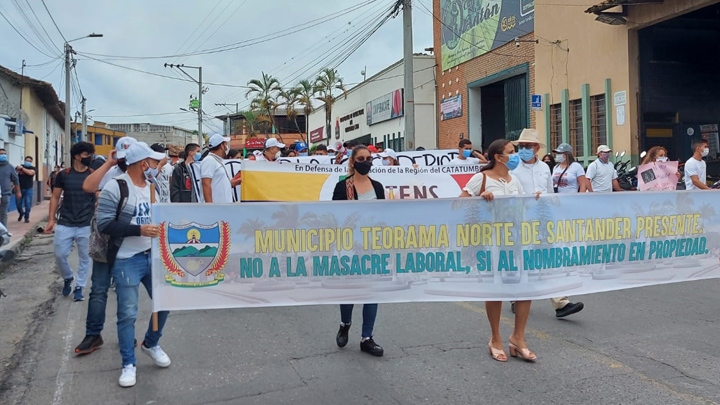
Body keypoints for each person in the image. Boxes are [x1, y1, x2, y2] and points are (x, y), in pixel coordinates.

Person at [96, 142, 171, 388]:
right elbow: (104, 224)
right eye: (154, 162)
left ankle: (151, 343)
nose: (157, 166)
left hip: (153, 256)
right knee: (127, 314)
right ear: (143, 163)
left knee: (166, 301)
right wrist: (139, 229)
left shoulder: (153, 187)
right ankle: (128, 363)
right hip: (126, 260)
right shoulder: (115, 187)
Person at [460, 139, 536, 362]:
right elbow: (458, 205)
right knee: (496, 290)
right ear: (497, 157)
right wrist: (480, 201)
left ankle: (518, 338)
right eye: (511, 152)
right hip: (491, 243)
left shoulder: (515, 180)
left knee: (525, 289)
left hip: (516, 241)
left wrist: (536, 200)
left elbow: (523, 207)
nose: (515, 156)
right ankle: (495, 338)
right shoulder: (481, 178)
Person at [511, 129, 584, 319]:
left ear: (536, 148)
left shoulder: (545, 168)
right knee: (521, 260)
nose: (523, 149)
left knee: (549, 259)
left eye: (527, 146)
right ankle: (515, 296)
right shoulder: (512, 167)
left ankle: (561, 302)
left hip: (542, 219)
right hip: (519, 219)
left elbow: (550, 192)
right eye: (521, 146)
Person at [74, 138, 137, 356]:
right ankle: (93, 334)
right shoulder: (109, 172)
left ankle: (126, 333)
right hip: (105, 238)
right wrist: (108, 164)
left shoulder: (142, 176)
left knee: (125, 290)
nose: (125, 162)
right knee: (99, 289)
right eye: (121, 158)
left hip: (130, 239)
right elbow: (88, 186)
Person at [332, 145, 385, 357]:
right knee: (349, 289)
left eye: (369, 158)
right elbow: (336, 215)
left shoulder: (378, 187)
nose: (367, 162)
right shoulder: (343, 187)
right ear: (353, 162)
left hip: (372, 245)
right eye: (362, 158)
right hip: (349, 246)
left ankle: (367, 338)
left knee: (371, 291)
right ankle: (345, 323)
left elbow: (384, 215)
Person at [45, 142, 97, 301]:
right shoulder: (64, 174)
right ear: (77, 156)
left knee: (85, 258)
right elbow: (54, 197)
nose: (90, 158)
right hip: (65, 221)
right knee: (59, 254)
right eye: (86, 155)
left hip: (85, 224)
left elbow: (98, 196)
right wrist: (51, 219)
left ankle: (80, 287)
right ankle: (68, 277)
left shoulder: (93, 174)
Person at [201, 134, 240, 203]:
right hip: (216, 209)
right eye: (226, 144)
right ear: (221, 146)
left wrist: (232, 183)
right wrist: (210, 206)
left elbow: (217, 183)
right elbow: (206, 183)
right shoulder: (209, 160)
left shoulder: (217, 160)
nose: (227, 147)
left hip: (223, 207)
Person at [0, 148, 20, 227]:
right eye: (1, 154)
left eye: (4, 154)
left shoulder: (9, 167)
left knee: (3, 213)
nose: (3, 155)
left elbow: (16, 179)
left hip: (5, 193)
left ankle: (3, 232)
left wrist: (18, 191)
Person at [16, 156, 36, 223]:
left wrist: (22, 168)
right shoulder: (19, 167)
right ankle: (21, 213)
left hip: (28, 189)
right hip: (20, 189)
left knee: (28, 204)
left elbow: (30, 173)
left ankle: (26, 217)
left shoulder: (32, 168)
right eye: (27, 161)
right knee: (18, 204)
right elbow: (14, 175)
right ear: (24, 161)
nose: (28, 162)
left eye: (30, 161)